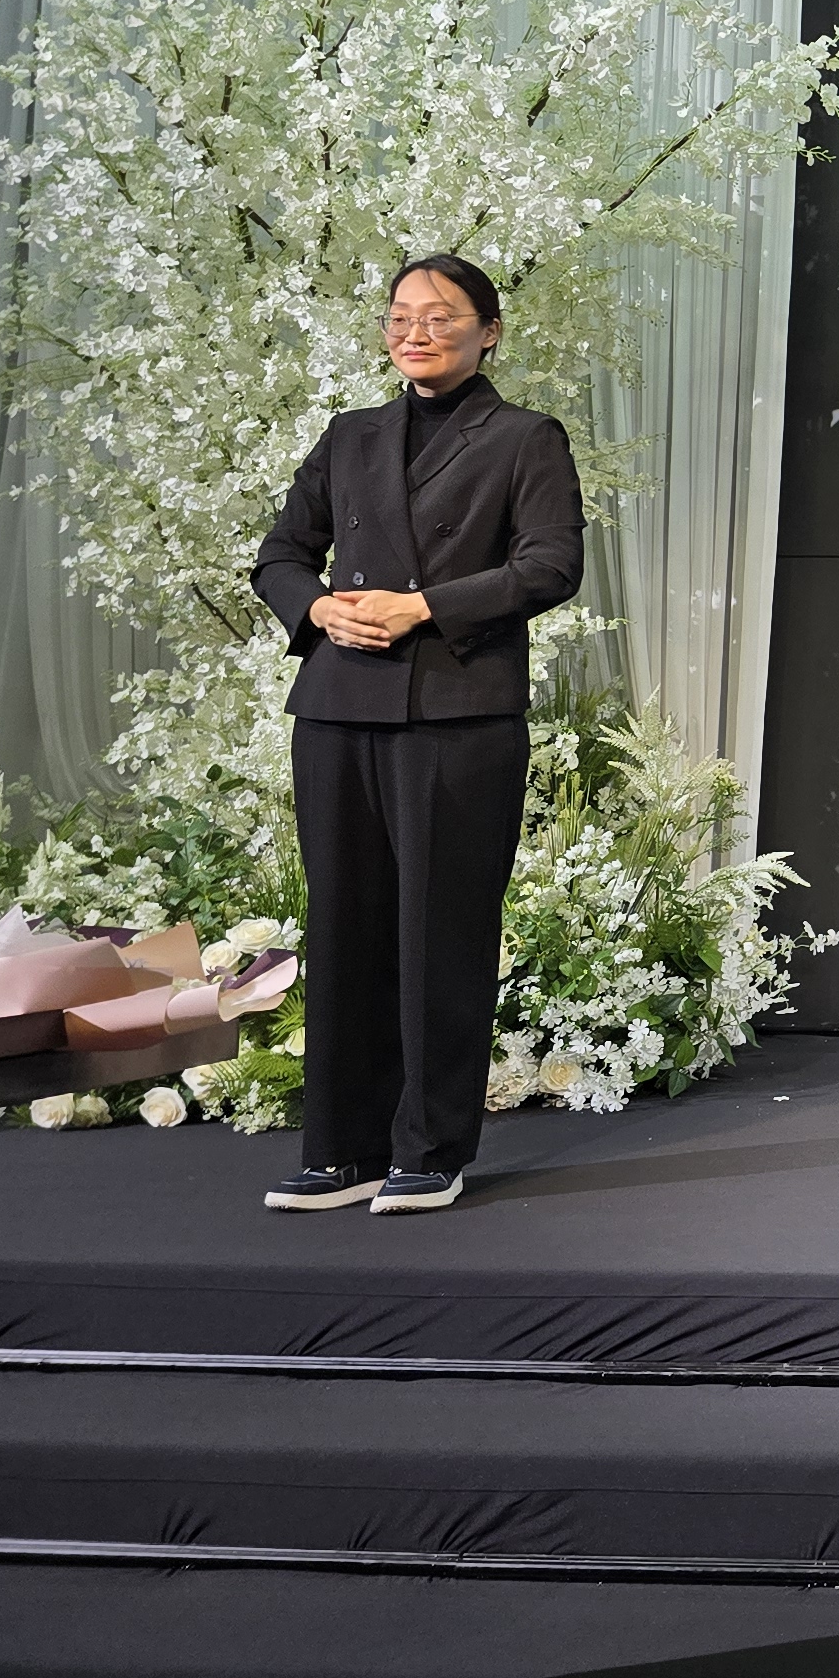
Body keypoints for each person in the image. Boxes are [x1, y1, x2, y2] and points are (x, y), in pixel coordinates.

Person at [249, 254, 584, 1216]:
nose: (416, 331)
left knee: (441, 930)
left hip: (457, 710)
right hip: (338, 705)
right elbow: (280, 555)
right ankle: (340, 1150)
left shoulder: (524, 437)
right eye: (401, 316)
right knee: (343, 925)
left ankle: (430, 1148)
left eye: (439, 316)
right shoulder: (349, 434)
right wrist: (319, 609)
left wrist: (422, 606)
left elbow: (551, 565)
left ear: (489, 331)